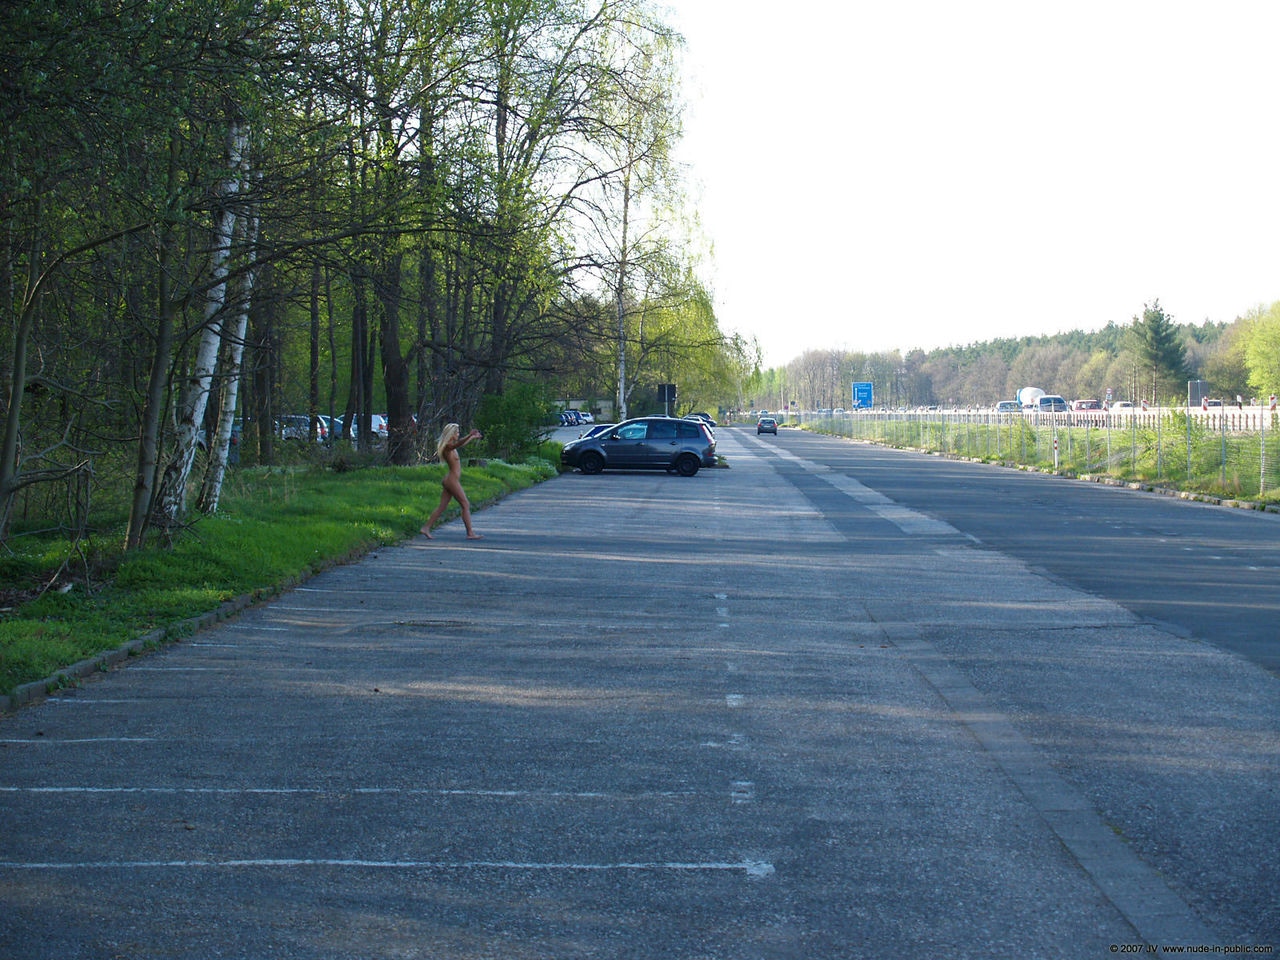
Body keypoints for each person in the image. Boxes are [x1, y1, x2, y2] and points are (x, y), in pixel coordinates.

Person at [421, 423, 483, 539]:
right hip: (451, 481)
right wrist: (469, 435)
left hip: (450, 480)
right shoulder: (447, 447)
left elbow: (461, 444)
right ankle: (470, 533)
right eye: (457, 432)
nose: (458, 434)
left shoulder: (452, 447)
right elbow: (458, 444)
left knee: (442, 507)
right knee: (465, 504)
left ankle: (426, 528)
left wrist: (472, 437)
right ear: (451, 434)